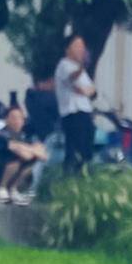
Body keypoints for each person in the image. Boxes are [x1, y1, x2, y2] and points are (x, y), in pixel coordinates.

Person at [53, 34, 98, 171]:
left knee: (87, 146)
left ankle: (84, 172)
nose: (81, 49)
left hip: (85, 111)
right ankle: (72, 175)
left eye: (82, 46)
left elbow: (92, 91)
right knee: (75, 148)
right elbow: (73, 80)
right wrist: (81, 69)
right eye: (77, 46)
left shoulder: (82, 70)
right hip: (73, 113)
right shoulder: (64, 65)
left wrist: (86, 90)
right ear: (68, 49)